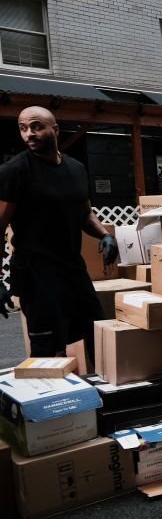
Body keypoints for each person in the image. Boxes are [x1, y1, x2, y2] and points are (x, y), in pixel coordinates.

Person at [0, 106, 117, 359]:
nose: (29, 134)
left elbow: (85, 213)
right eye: (23, 128)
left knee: (97, 331)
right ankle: (54, 398)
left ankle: (96, 396)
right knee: (50, 351)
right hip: (36, 273)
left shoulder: (75, 168)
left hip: (73, 269)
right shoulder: (15, 171)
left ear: (55, 129)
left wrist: (105, 234)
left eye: (36, 127)